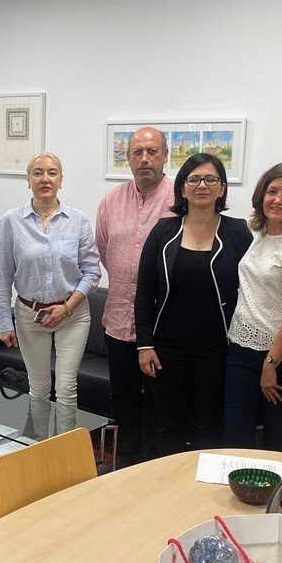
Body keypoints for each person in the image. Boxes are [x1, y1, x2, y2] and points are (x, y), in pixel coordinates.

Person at [135, 153, 252, 455]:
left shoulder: (237, 232)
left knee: (208, 426)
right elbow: (145, 292)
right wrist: (144, 345)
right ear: (182, 189)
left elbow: (252, 290)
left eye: (211, 179)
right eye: (194, 179)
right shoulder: (163, 231)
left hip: (217, 349)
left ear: (222, 188)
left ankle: (200, 483)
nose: (202, 185)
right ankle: (168, 480)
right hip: (166, 348)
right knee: (167, 425)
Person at [0, 152, 101, 429]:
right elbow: (3, 276)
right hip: (30, 316)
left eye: (52, 173)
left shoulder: (77, 220)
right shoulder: (11, 221)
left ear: (61, 180)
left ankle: (64, 450)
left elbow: (92, 271)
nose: (45, 178)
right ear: (28, 180)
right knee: (39, 388)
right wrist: (4, 323)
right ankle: (39, 446)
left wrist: (66, 307)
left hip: (72, 314)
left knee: (66, 388)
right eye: (38, 172)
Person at [223, 163, 282, 452]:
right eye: (272, 191)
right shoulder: (261, 236)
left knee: (278, 443)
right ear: (261, 197)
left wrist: (270, 363)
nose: (278, 199)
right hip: (241, 350)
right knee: (234, 438)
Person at [95, 126, 175, 466]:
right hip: (117, 322)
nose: (144, 159)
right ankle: (124, 466)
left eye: (152, 152)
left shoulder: (180, 199)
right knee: (123, 399)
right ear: (127, 158)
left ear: (165, 156)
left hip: (161, 326)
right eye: (137, 152)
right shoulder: (110, 201)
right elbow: (104, 250)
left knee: (158, 403)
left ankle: (152, 471)